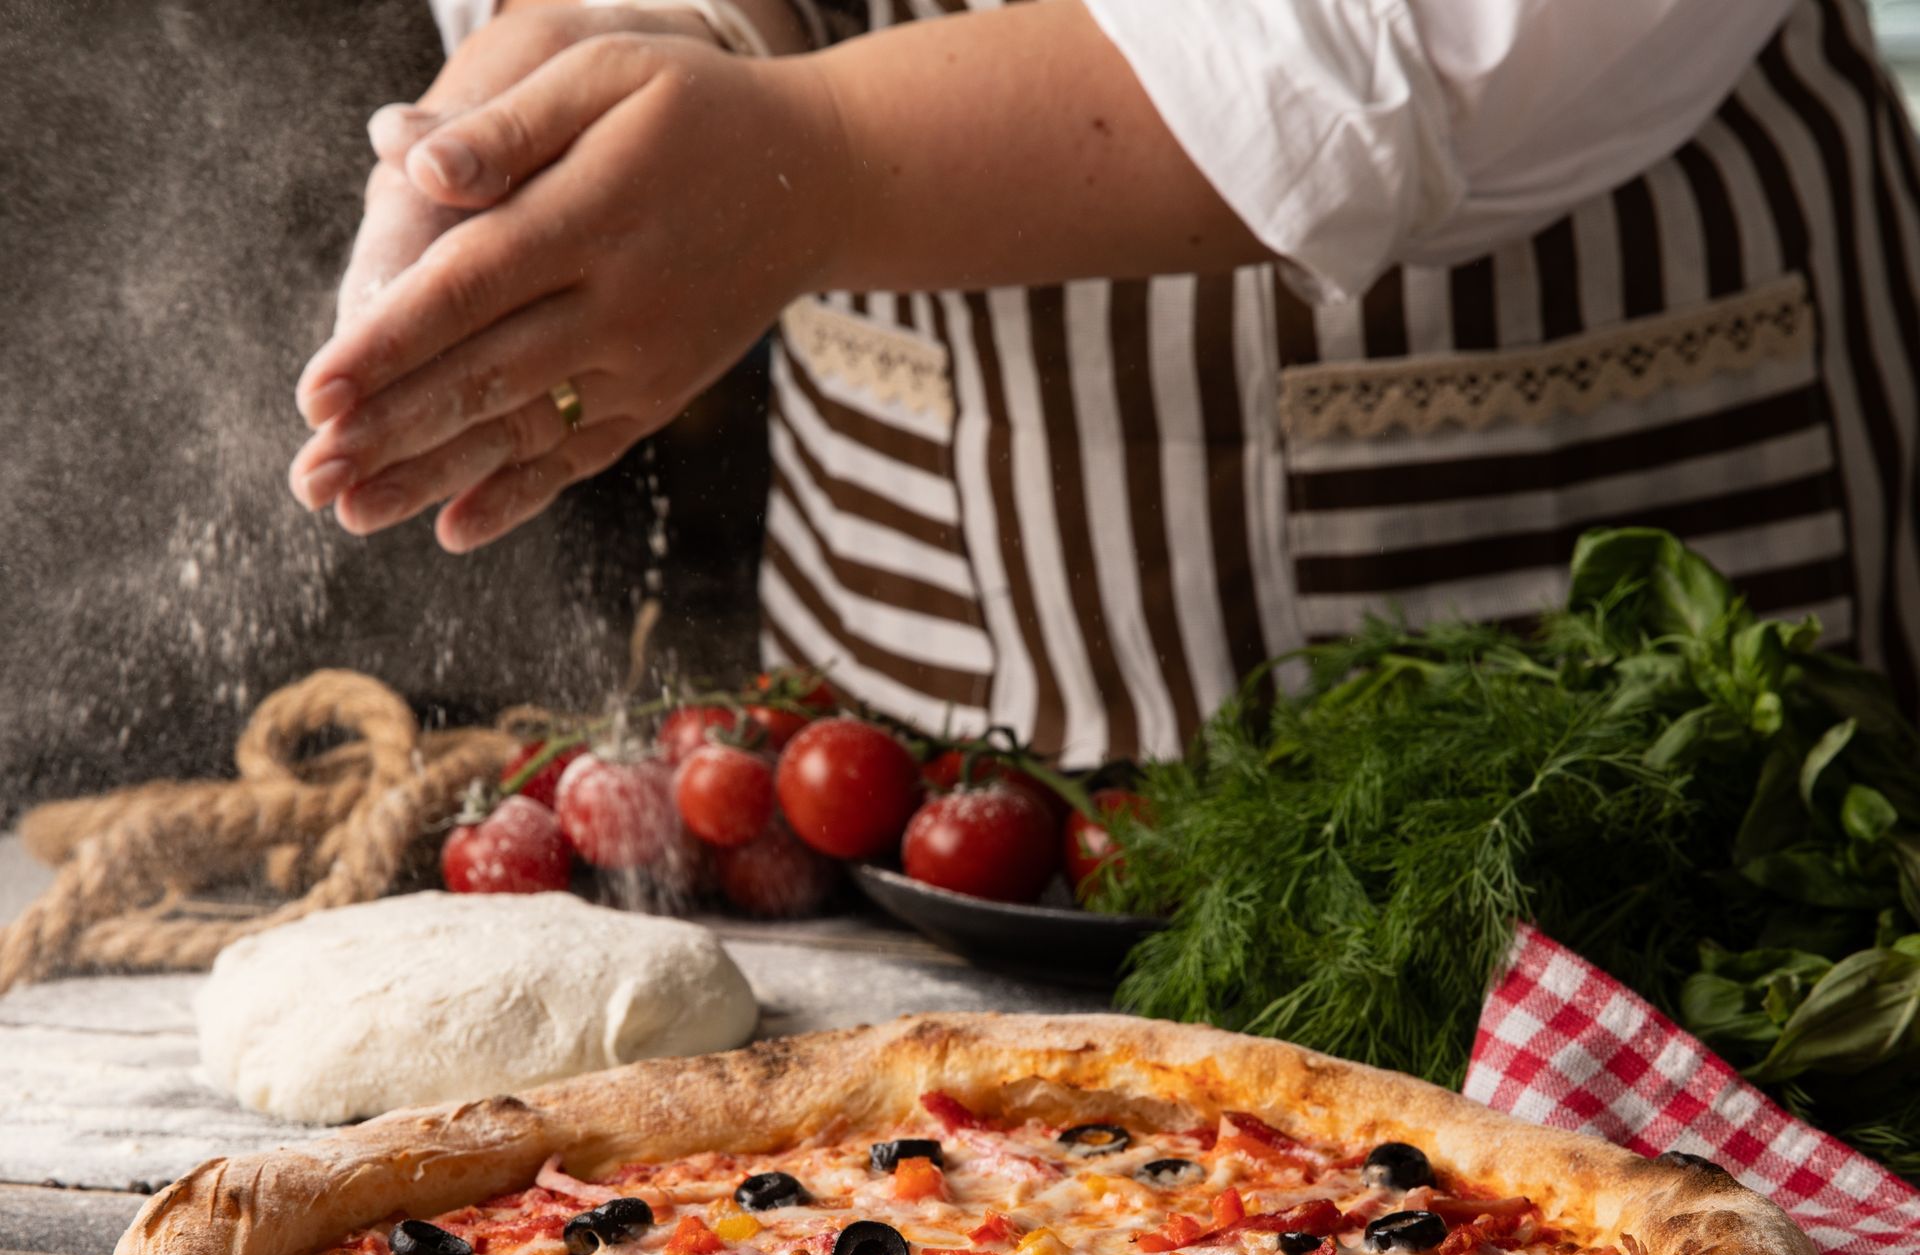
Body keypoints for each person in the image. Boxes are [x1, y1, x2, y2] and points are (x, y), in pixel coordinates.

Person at [289, 0, 1920, 765]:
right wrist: (626, 30)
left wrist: (823, 166)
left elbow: (1403, 44)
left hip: (1595, 495)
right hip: (925, 593)